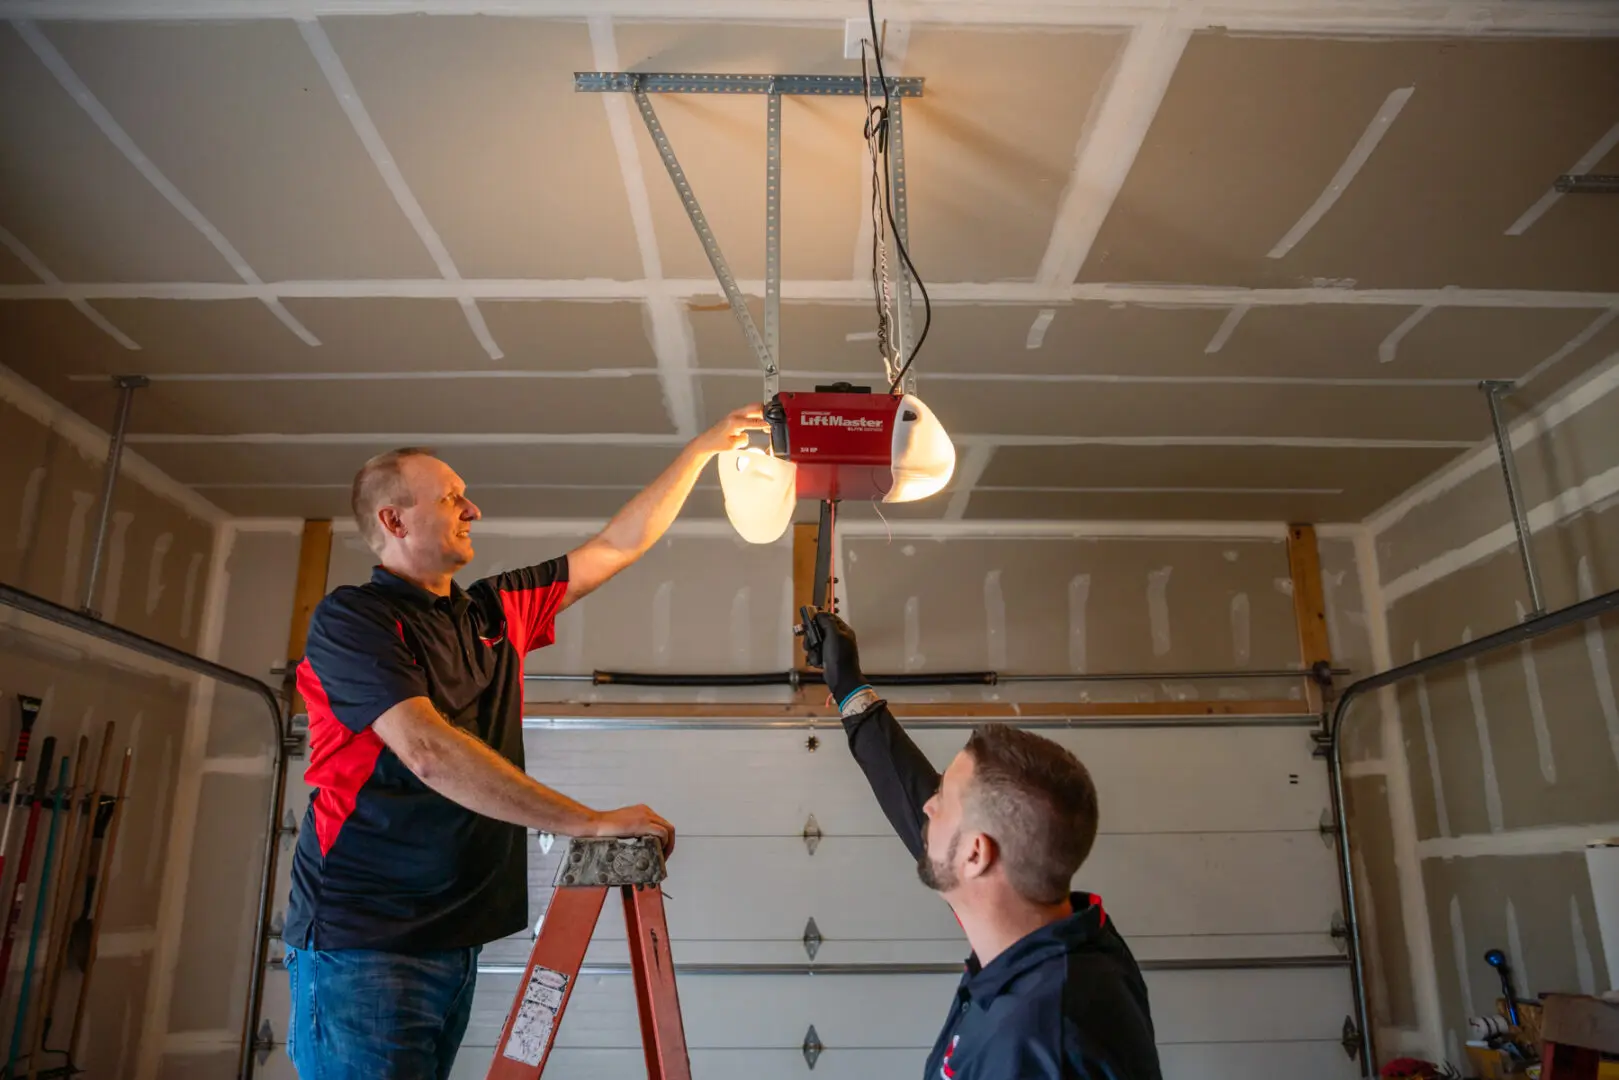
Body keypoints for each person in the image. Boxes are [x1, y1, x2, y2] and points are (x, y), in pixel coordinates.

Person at [282, 405, 766, 1080]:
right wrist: (588, 823)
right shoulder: (354, 620)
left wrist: (706, 449)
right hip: (363, 941)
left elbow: (618, 544)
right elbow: (428, 752)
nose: (472, 509)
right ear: (393, 520)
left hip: (453, 938)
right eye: (451, 498)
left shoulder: (491, 613)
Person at [807, 611, 1163, 1079]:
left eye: (944, 800)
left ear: (976, 854)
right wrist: (850, 688)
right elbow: (919, 808)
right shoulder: (1065, 940)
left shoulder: (1031, 1046)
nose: (928, 809)